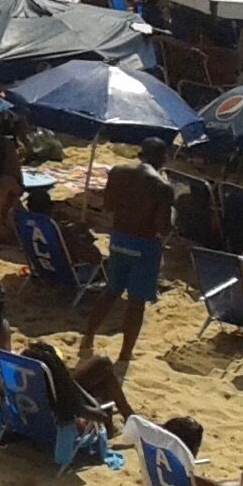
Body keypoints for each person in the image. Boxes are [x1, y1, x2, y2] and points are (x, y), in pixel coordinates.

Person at [81, 139, 175, 375]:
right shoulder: (162, 186)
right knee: (136, 302)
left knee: (111, 291)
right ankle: (124, 354)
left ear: (140, 153)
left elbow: (108, 206)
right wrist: (173, 212)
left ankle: (88, 337)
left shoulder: (118, 172)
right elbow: (163, 228)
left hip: (119, 239)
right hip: (144, 245)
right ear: (162, 158)